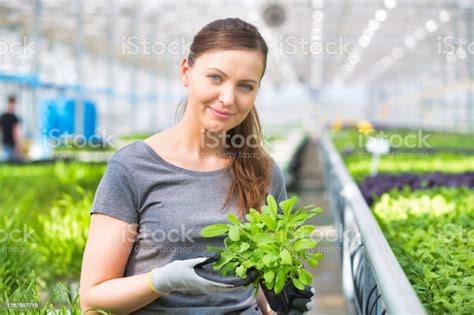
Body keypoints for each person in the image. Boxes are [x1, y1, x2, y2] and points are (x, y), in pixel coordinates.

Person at [80, 18, 315, 314]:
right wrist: (161, 281)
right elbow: (92, 298)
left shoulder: (263, 172)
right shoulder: (132, 168)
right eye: (215, 77)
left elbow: (260, 289)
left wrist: (283, 303)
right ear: (186, 72)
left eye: (245, 86)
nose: (228, 99)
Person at [0, 94, 23, 161]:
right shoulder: (14, 117)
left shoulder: (3, 116)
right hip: (12, 144)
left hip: (5, 143)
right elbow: (15, 132)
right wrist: (18, 145)